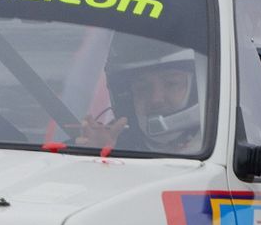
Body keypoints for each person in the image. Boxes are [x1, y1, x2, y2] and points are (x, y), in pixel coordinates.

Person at [74, 43, 204, 154]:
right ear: (128, 99)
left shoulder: (221, 144)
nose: (156, 99)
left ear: (197, 90)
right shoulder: (113, 146)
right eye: (143, 88)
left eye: (171, 84)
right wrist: (96, 156)